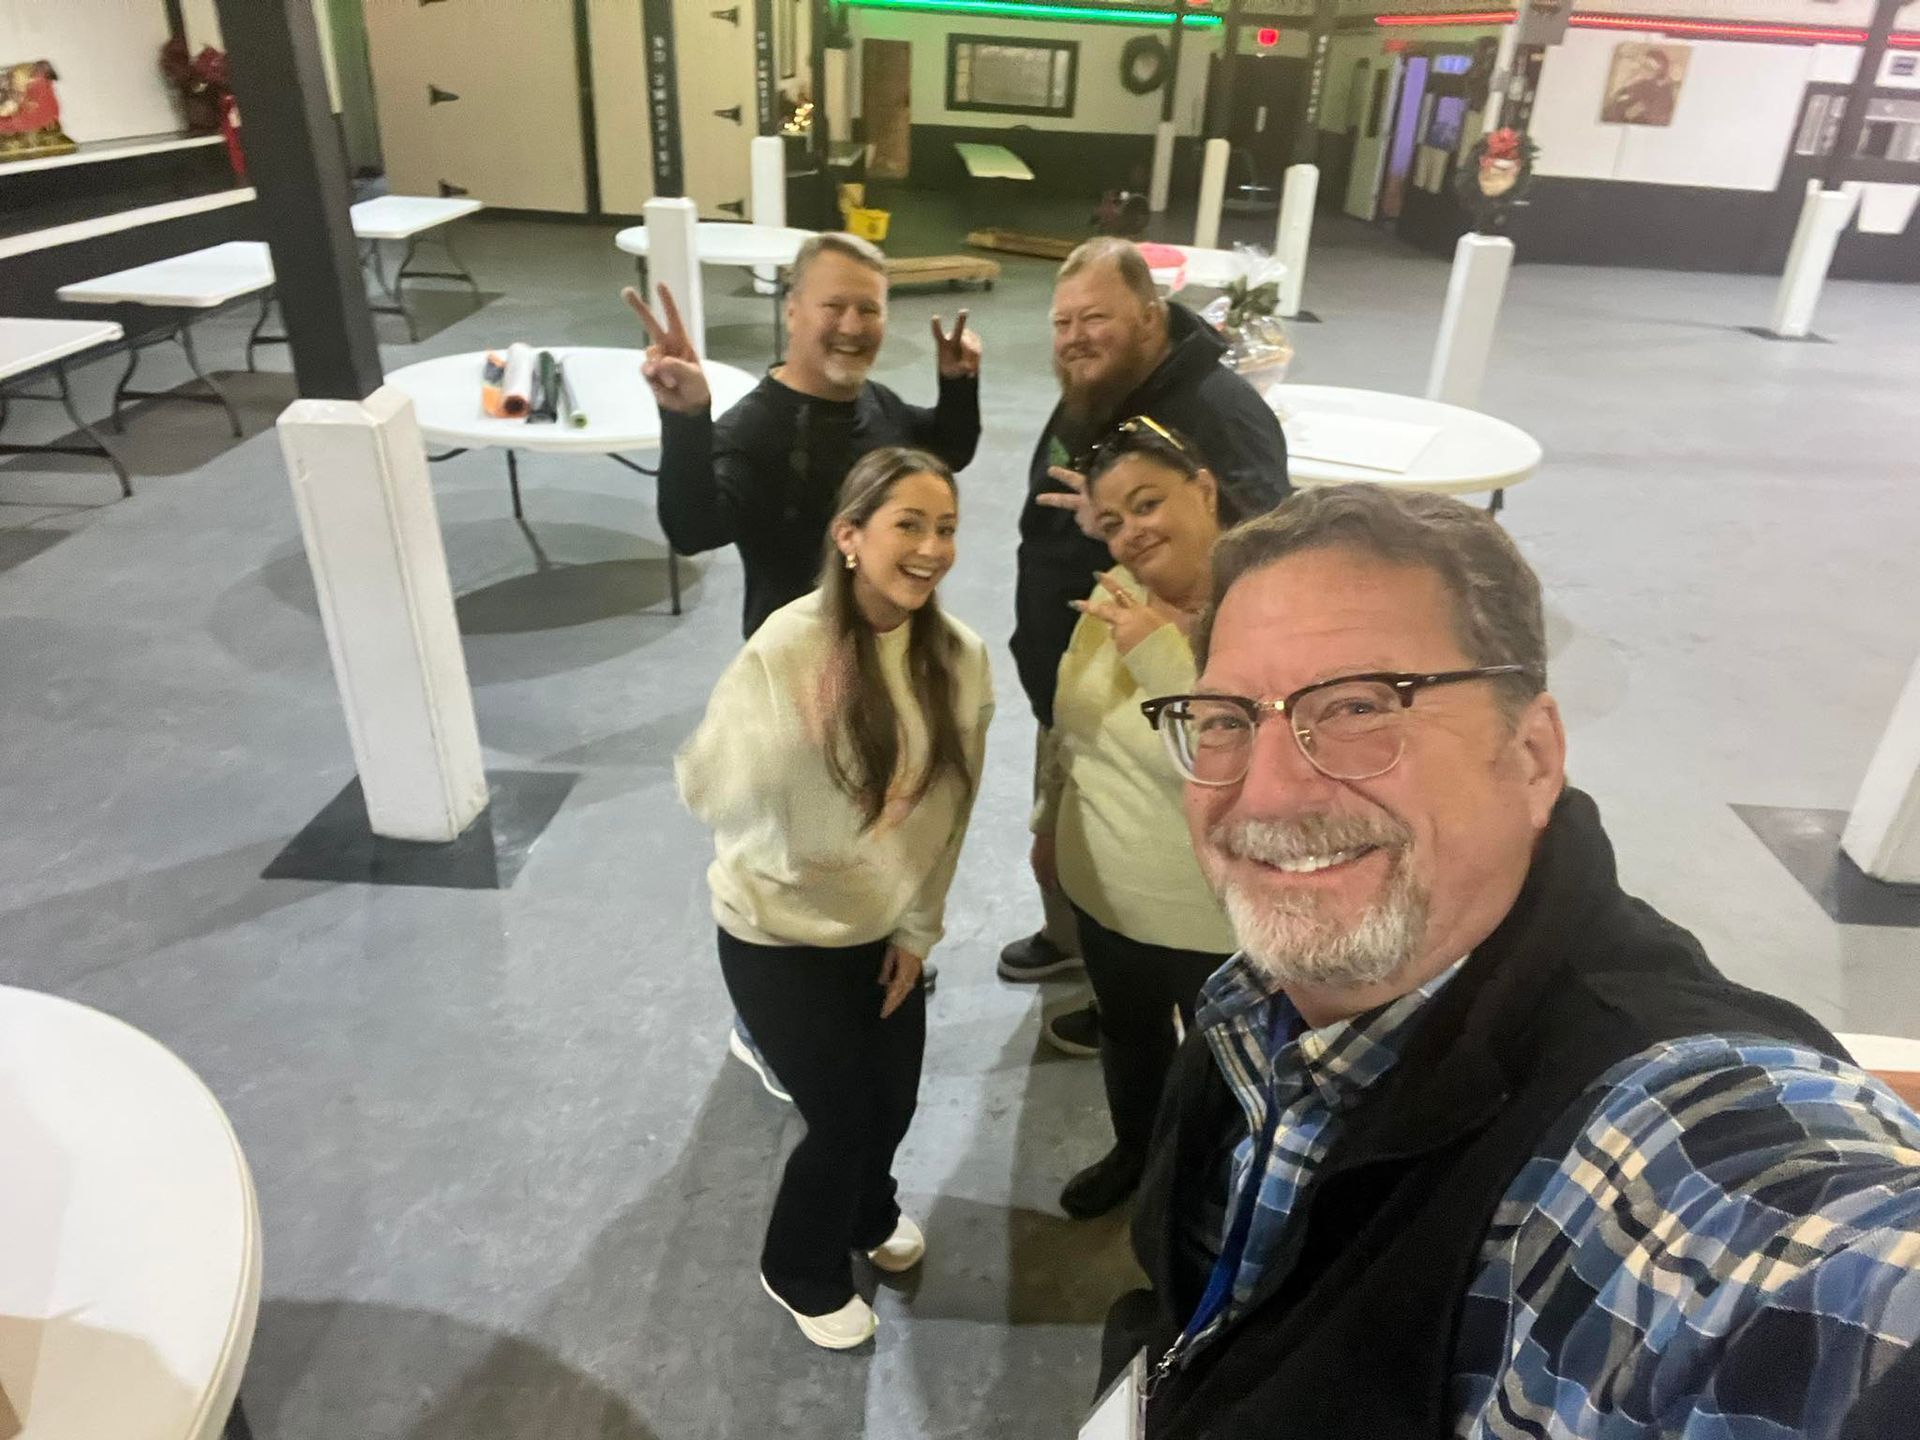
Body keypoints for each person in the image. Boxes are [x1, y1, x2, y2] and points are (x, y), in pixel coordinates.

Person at [1106, 483, 1920, 1437]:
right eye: (1226, 718)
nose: (1271, 790)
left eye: (1363, 705)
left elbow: (1822, 1279)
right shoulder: (1256, 1001)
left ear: (1532, 755)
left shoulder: (1659, 1139)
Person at [631, 232, 980, 1097]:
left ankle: (874, 947)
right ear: (792, 311)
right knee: (786, 849)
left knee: (879, 820)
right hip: (796, 684)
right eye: (835, 305)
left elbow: (945, 455)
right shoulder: (758, 426)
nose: (854, 325)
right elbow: (694, 526)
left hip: (889, 659)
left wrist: (959, 385)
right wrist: (686, 418)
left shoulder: (879, 407)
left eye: (870, 307)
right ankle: (766, 1018)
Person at [676, 447, 993, 1351]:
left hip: (883, 927)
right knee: (845, 1113)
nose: (932, 547)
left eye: (946, 528)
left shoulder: (960, 659)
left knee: (891, 1103)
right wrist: (778, 752)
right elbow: (706, 790)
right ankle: (798, 1265)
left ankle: (867, 1213)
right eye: (909, 525)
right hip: (775, 935)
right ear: (849, 538)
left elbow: (953, 811)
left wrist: (918, 930)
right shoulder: (786, 646)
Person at [1001, 237, 1289, 1055]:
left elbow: (1268, 551)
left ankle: (1125, 985)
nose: (1075, 337)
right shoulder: (1098, 390)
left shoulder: (1216, 409)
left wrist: (1116, 527)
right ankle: (1081, 945)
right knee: (1073, 840)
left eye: (1096, 317)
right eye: (1062, 322)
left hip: (1166, 701)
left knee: (1142, 849)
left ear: (1150, 316)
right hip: (1084, 681)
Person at [1034, 418, 1239, 1219]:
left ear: (1206, 490)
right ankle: (1134, 1154)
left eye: (1148, 504)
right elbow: (1069, 724)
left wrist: (1159, 653)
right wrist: (1047, 823)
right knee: (1129, 1039)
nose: (1131, 535)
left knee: (1222, 1071)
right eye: (1113, 521)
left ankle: (1202, 1196)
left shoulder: (1260, 607)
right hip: (1105, 894)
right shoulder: (1115, 592)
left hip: (1209, 914)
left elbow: (1240, 757)